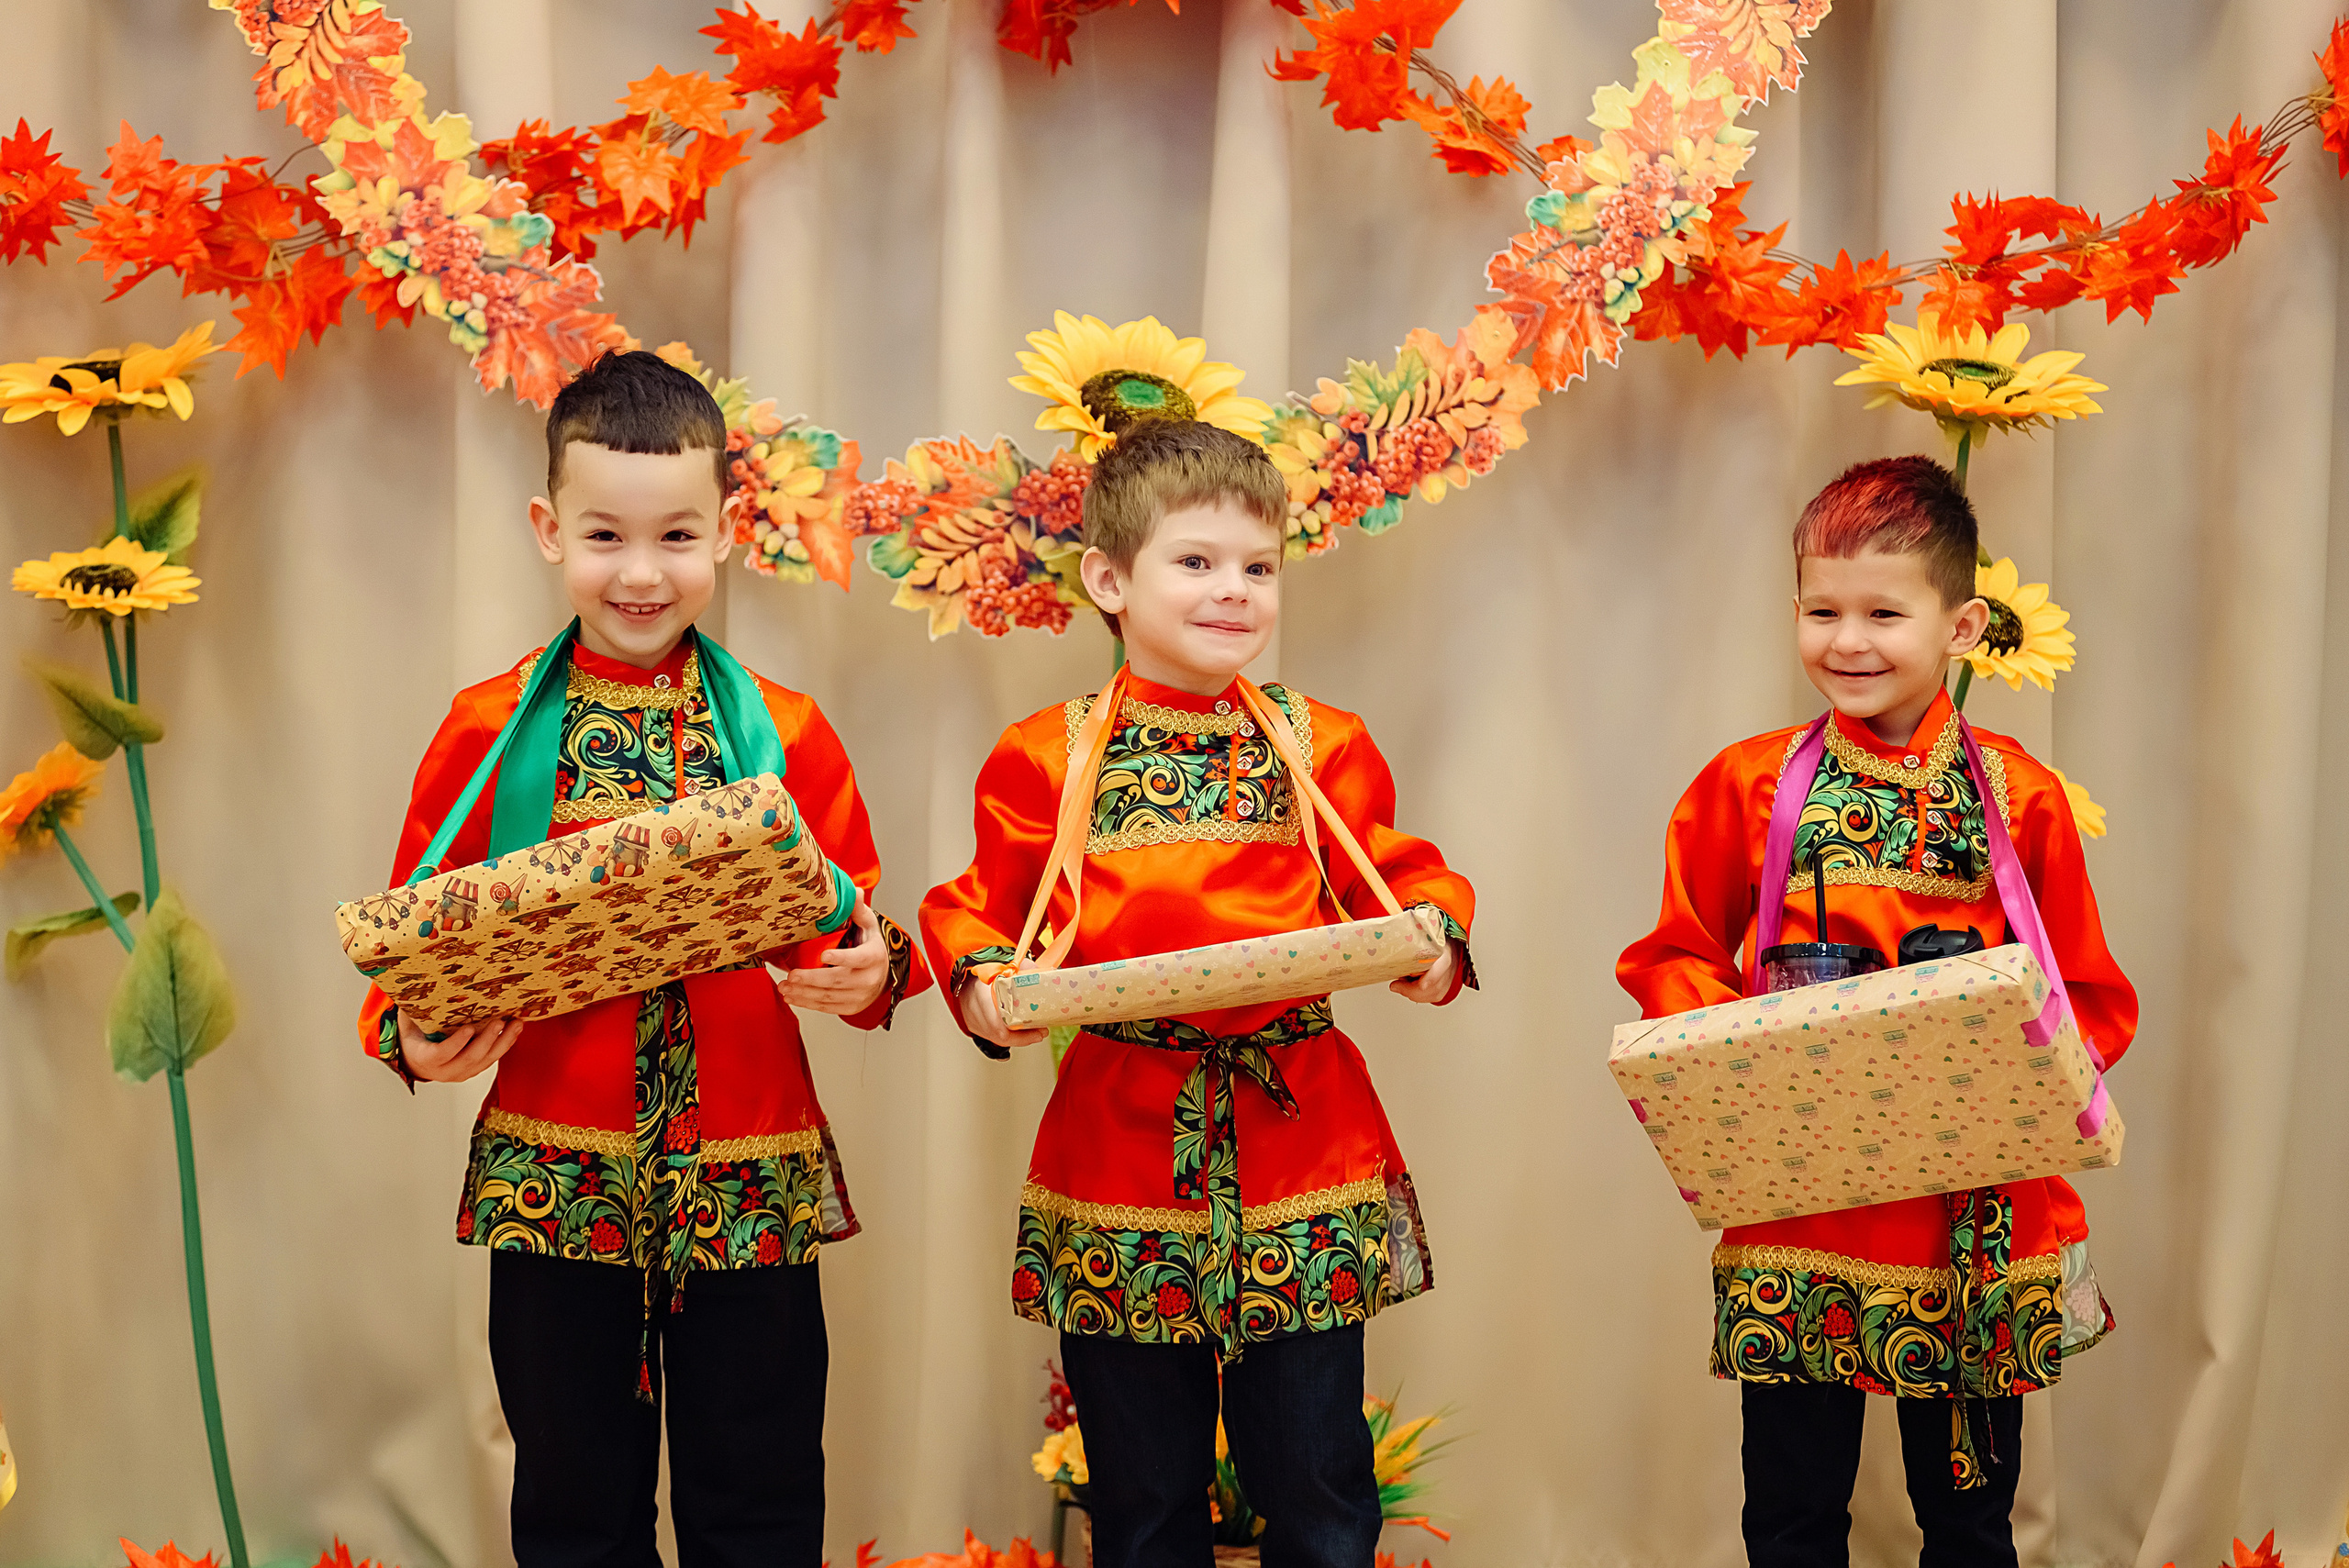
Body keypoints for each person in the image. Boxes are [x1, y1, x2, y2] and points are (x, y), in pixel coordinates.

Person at [357, 350, 929, 1568]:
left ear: (726, 530)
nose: (640, 571)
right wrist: (413, 1035)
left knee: (763, 1491)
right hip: (558, 1178)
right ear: (546, 528)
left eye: (676, 536)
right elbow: (413, 944)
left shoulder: (785, 729)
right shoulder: (484, 728)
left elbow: (863, 922)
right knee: (572, 1501)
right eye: (605, 535)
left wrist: (874, 972)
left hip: (750, 1171)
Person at [920, 414, 1476, 1568]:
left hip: (1302, 1145)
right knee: (1140, 1494)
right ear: (1110, 579)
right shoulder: (1046, 752)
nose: (1234, 592)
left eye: (1258, 568)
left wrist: (1433, 946)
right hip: (1118, 1142)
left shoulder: (1320, 742)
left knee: (1320, 1484)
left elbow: (1401, 876)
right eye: (1197, 562)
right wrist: (981, 985)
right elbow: (978, 909)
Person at [1618, 455, 2138, 1568]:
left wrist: (2002, 1073)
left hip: (1967, 1221)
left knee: (1968, 1518)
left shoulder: (2019, 795)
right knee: (1791, 1515)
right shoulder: (1745, 786)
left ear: (1962, 625)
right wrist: (1751, 1056)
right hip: (1804, 1210)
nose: (1846, 641)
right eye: (1821, 610)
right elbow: (1671, 955)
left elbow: (2087, 993)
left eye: (1882, 612)